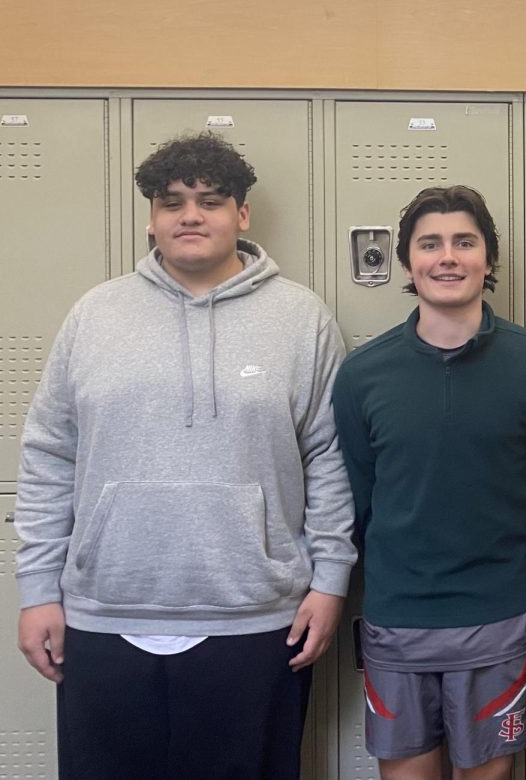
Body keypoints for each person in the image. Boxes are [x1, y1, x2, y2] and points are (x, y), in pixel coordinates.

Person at [14, 133, 357, 780]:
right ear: (152, 219)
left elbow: (329, 459)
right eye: (172, 203)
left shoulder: (299, 317)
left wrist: (330, 580)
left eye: (210, 201)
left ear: (242, 214)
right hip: (104, 615)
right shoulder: (95, 315)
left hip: (257, 618)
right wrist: (37, 591)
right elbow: (49, 457)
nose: (190, 215)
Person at [332, 185, 526, 780]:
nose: (448, 257)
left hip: (500, 614)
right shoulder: (363, 374)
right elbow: (359, 500)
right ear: (407, 261)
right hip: (397, 617)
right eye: (430, 243)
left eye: (465, 242)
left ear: (489, 259)